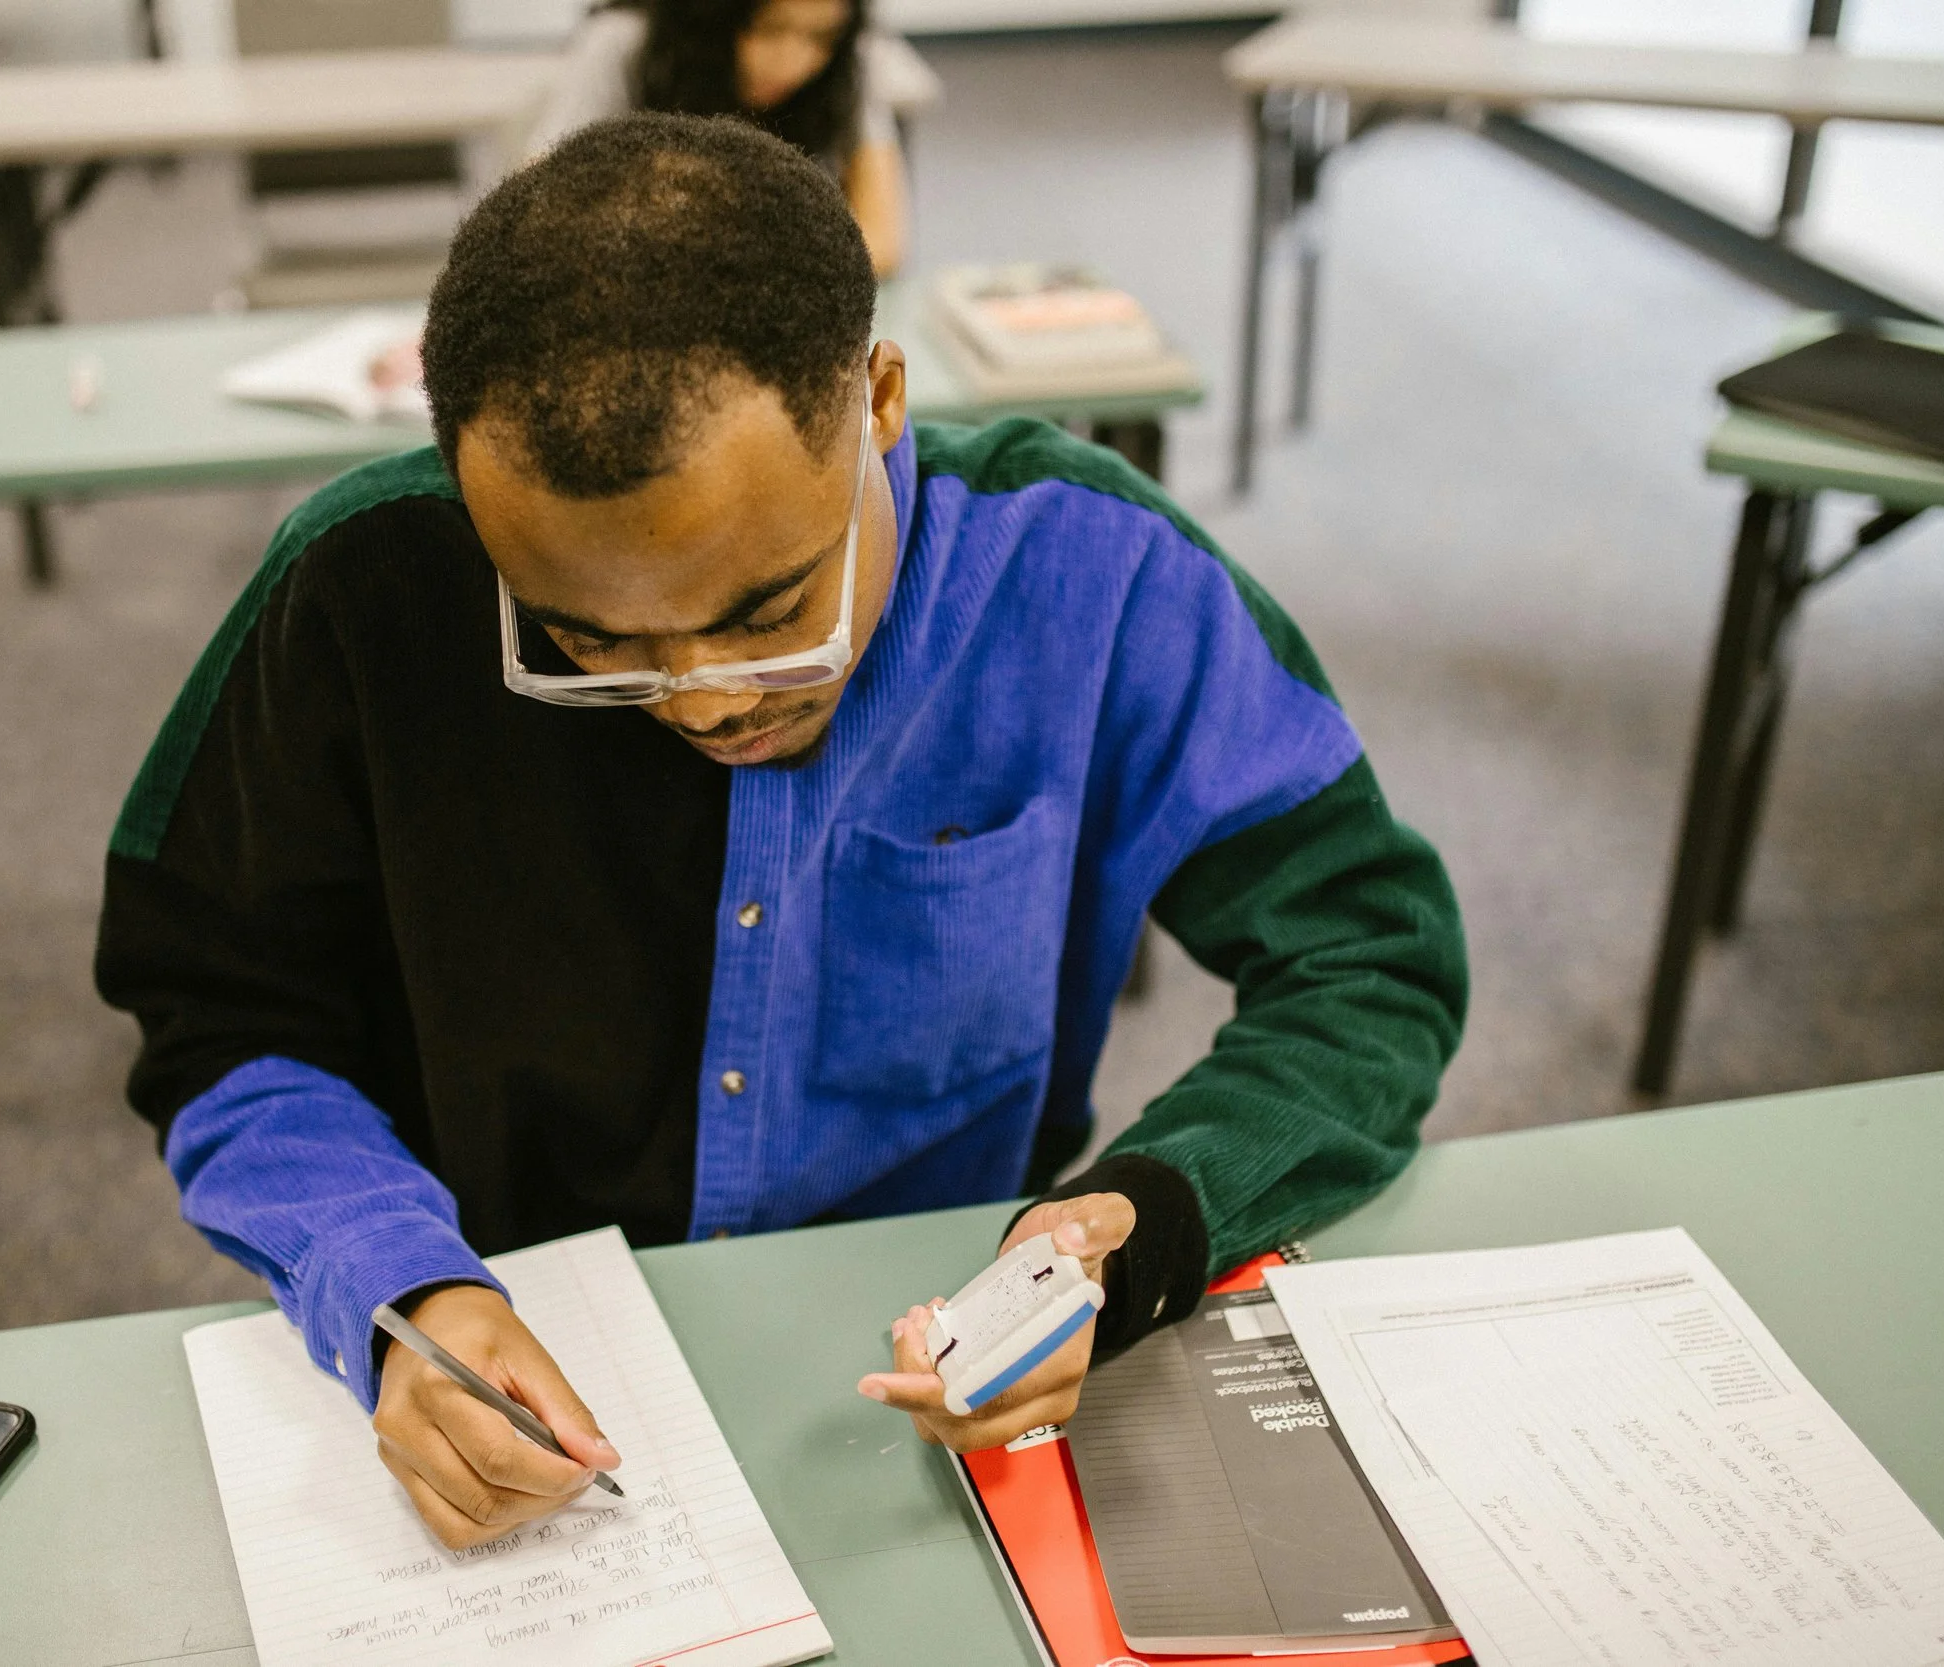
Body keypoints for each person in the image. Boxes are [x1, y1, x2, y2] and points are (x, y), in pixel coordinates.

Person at [95, 112, 1464, 1550]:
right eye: (588, 639)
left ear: (877, 397)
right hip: (517, 1338)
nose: (703, 698)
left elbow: (1372, 955)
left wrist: (1142, 1224)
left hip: (935, 1388)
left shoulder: (1088, 570)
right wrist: (395, 1282)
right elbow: (218, 1016)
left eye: (769, 609)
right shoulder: (359, 588)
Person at [525, 0, 910, 274]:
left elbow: (883, 240)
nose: (793, 62)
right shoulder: (625, 42)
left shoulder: (845, 69)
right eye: (769, 28)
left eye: (822, 37)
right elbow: (540, 209)